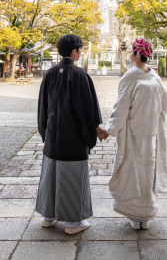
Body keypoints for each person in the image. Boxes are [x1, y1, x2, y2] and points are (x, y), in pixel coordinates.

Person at [35, 34, 104, 234]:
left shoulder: (50, 73)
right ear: (74, 51)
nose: (80, 53)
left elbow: (42, 108)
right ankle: (73, 223)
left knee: (51, 176)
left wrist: (45, 132)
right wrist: (93, 131)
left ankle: (48, 216)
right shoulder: (81, 76)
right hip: (73, 140)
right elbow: (87, 110)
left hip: (53, 138)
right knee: (72, 178)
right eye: (80, 50)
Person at [105, 38, 167, 230]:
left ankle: (135, 215)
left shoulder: (130, 77)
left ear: (135, 53)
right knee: (149, 170)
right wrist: (157, 120)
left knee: (133, 170)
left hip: (133, 133)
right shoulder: (155, 77)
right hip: (151, 132)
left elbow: (121, 107)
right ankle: (146, 215)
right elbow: (164, 102)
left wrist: (111, 129)